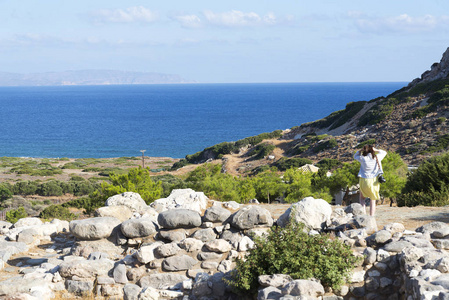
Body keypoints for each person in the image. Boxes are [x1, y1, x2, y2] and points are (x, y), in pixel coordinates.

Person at [353, 145, 387, 216]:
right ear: (372, 151)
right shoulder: (377, 157)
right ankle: (371, 216)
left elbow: (355, 156)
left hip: (363, 180)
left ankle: (364, 215)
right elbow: (384, 152)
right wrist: (376, 150)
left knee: (362, 198)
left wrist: (360, 150)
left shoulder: (362, 158)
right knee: (373, 200)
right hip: (373, 181)